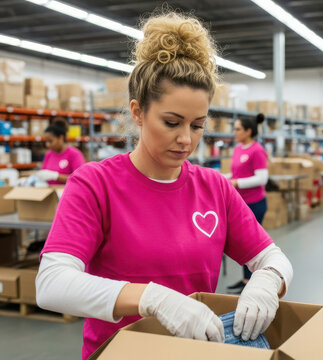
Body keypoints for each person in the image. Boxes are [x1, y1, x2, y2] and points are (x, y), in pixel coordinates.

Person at [35, 12, 293, 359]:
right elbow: (52, 283)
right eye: (171, 122)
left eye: (198, 125)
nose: (186, 139)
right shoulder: (96, 184)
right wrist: (150, 298)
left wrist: (267, 281)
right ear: (138, 112)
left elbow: (272, 257)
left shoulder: (213, 187)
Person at [226, 114, 269, 293]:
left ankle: (250, 282)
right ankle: (245, 279)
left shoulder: (257, 150)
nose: (234, 132)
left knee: (250, 244)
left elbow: (262, 178)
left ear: (248, 131)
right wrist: (221, 178)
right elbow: (235, 174)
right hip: (240, 203)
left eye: (237, 129)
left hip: (255, 203)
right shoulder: (238, 149)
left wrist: (237, 183)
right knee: (242, 243)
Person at [36, 118, 86, 185]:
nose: (47, 144)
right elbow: (44, 175)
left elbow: (80, 178)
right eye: (46, 141)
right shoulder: (49, 155)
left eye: (50, 141)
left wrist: (56, 176)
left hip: (69, 193)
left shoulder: (74, 154)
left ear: (61, 138)